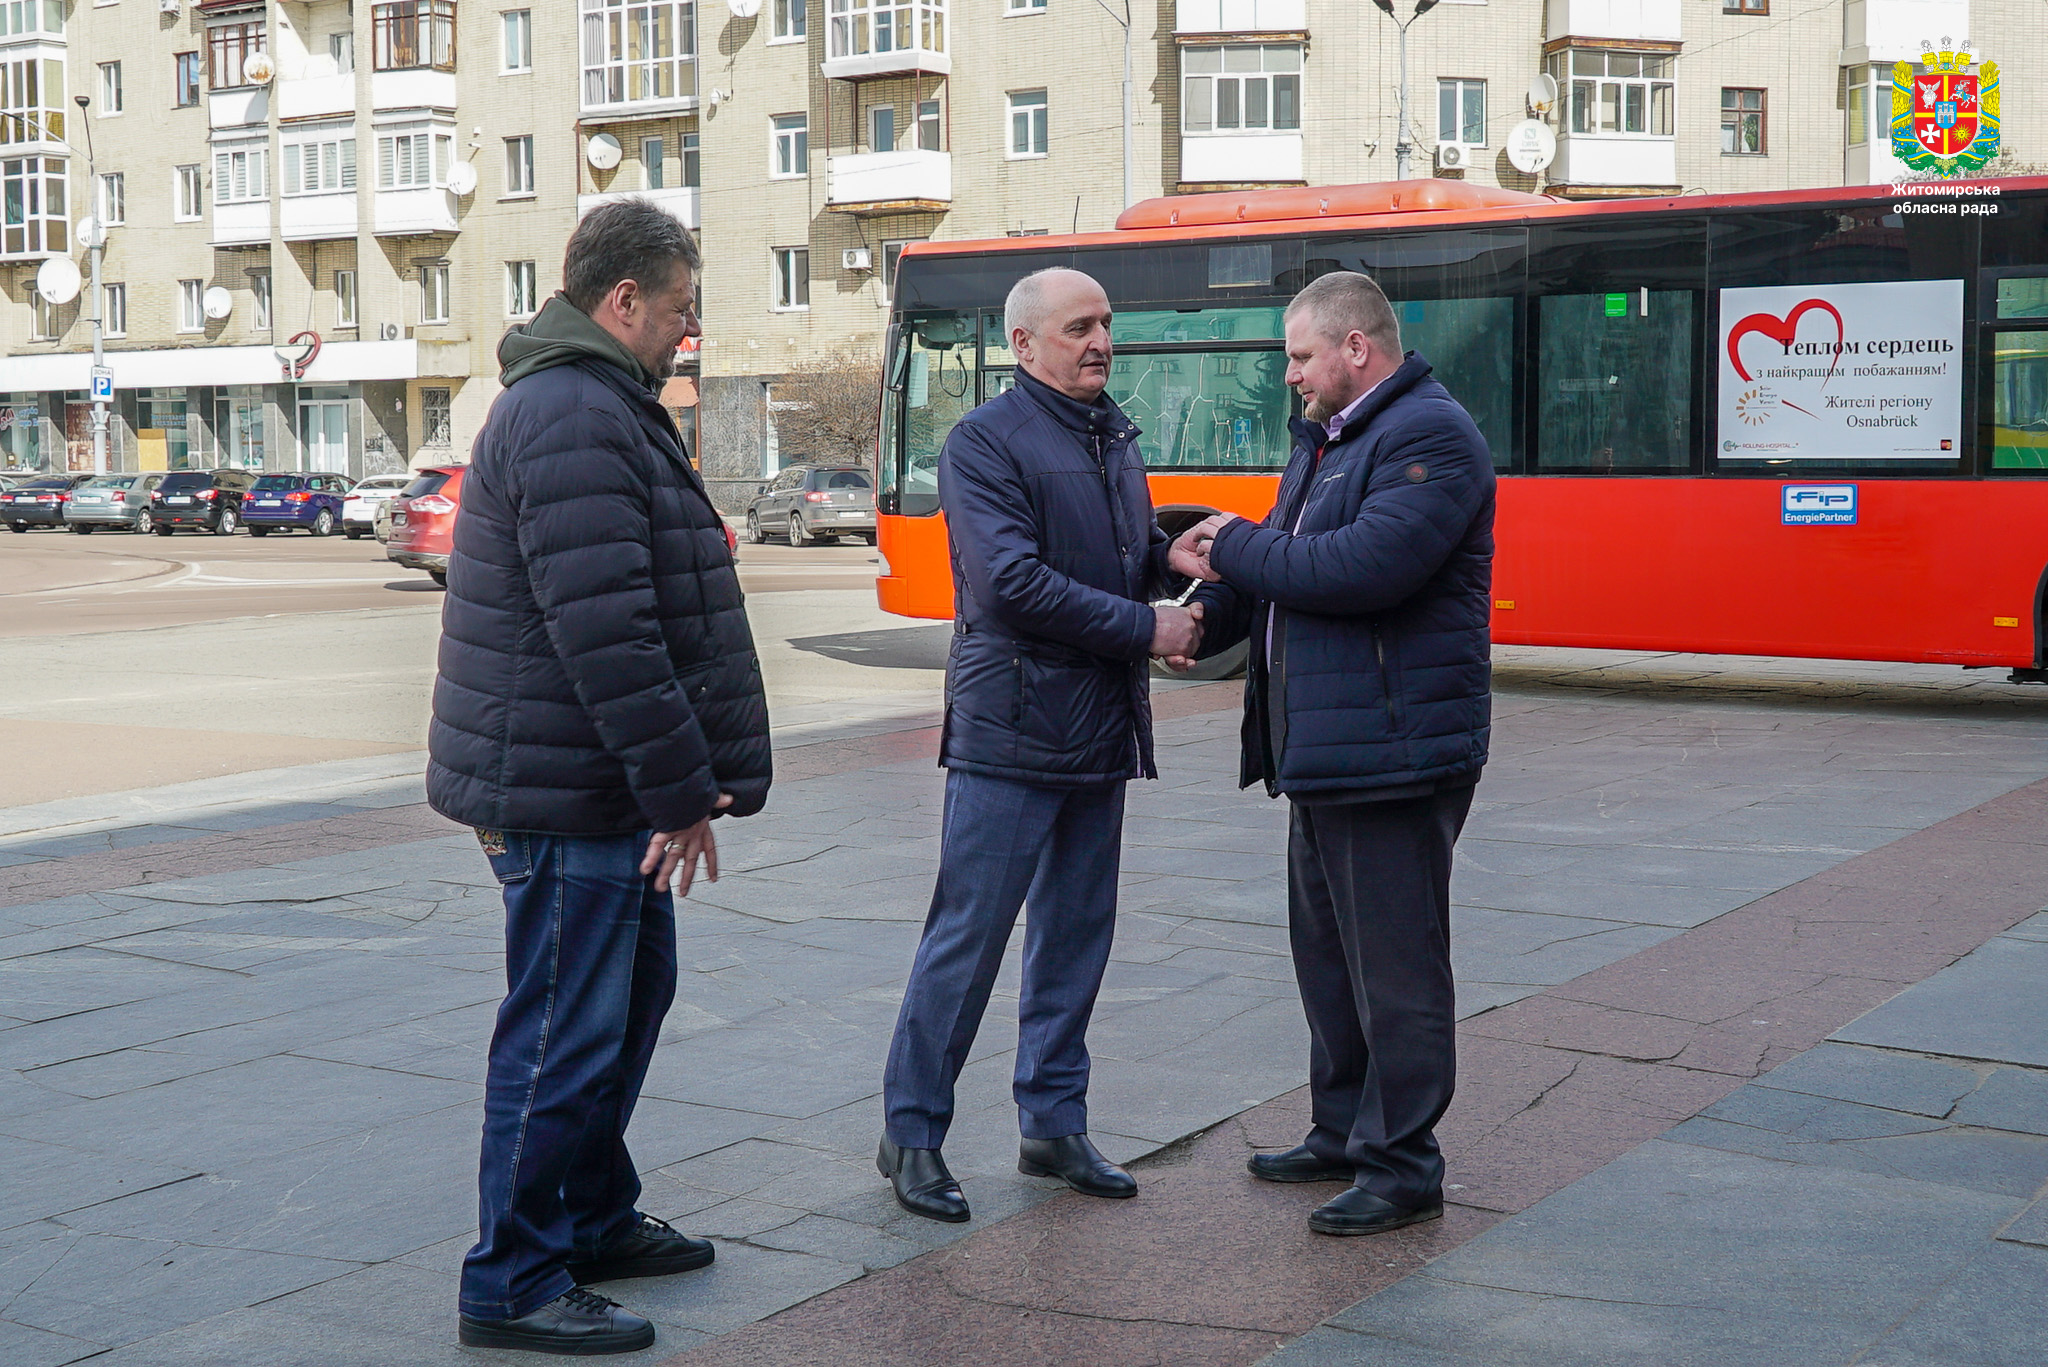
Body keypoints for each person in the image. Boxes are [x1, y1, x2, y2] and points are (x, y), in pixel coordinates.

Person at [427, 198, 772, 1354]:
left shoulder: (598, 402)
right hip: (565, 790)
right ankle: (513, 1277)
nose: (688, 333)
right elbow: (607, 631)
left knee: (622, 1005)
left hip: (592, 781)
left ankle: (590, 1214)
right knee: (563, 1033)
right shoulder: (572, 411)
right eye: (679, 310)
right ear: (622, 300)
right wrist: (679, 792)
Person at [1170, 270, 1495, 1238]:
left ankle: (1401, 1163)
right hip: (1328, 747)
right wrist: (1208, 589)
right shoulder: (1332, 439)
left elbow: (1358, 570)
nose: (1288, 377)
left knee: (1393, 966)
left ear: (1357, 349)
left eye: (1300, 357)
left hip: (1394, 749)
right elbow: (1286, 569)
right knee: (1328, 959)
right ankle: (1340, 1126)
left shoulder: (1429, 435)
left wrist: (1233, 548)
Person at [877, 267, 1203, 1223]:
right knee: (968, 938)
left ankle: (1052, 1121)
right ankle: (911, 1134)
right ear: (1023, 346)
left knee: (1075, 936)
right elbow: (1012, 583)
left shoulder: (1114, 435)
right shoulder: (981, 442)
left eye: (1105, 322)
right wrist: (1146, 627)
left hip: (1097, 725)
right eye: (1077, 328)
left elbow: (1109, 554)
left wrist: (1164, 554)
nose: (1100, 341)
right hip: (1012, 729)